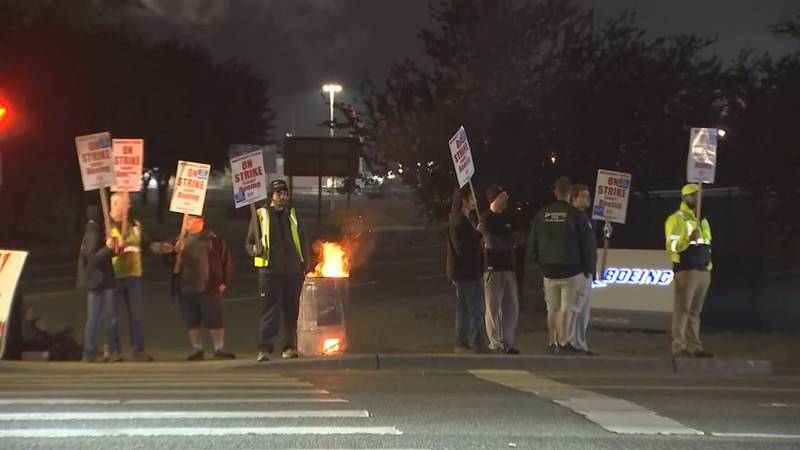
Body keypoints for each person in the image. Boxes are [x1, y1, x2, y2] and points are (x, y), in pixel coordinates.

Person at [246, 179, 310, 362]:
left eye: (285, 193)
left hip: (293, 271)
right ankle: (265, 349)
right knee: (270, 311)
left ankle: (289, 347)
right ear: (271, 196)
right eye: (279, 193)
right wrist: (254, 250)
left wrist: (304, 265)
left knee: (291, 311)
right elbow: (250, 241)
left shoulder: (293, 214)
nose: (283, 196)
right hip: (270, 271)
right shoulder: (261, 214)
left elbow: (302, 240)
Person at [529, 177, 594, 355]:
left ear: (555, 192)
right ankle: (564, 342)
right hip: (571, 270)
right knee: (568, 308)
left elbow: (532, 242)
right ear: (569, 193)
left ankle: (552, 342)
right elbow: (587, 245)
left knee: (552, 308)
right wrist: (589, 268)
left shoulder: (542, 214)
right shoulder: (576, 215)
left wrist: (540, 262)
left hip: (549, 271)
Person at [159, 214, 235, 361]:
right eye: (186, 220)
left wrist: (224, 281)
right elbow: (165, 255)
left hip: (208, 287)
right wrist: (169, 250)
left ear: (200, 221)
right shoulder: (180, 239)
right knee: (192, 320)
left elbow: (227, 261)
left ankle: (219, 347)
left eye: (190, 219)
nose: (186, 222)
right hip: (186, 287)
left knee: (214, 319)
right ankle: (197, 347)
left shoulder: (213, 239)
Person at [665, 183, 713, 358]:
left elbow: (707, 245)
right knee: (682, 309)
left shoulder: (703, 220)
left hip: (703, 270)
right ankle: (679, 346)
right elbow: (672, 246)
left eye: (699, 195)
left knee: (694, 311)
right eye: (693, 195)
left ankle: (695, 346)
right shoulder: (676, 219)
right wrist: (688, 239)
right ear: (685, 197)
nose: (697, 198)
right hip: (686, 269)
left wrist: (708, 267)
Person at [108, 192, 153, 362]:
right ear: (116, 204)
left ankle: (138, 350)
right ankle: (113, 351)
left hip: (133, 275)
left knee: (137, 315)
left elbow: (146, 244)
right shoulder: (106, 225)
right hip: (112, 275)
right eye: (126, 203)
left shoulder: (135, 224)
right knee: (112, 316)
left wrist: (163, 247)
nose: (129, 206)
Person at [478, 184, 520, 354]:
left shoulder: (509, 217)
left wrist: (504, 242)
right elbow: (492, 243)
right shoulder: (486, 219)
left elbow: (517, 238)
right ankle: (495, 341)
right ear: (494, 199)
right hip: (492, 267)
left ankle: (507, 341)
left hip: (508, 266)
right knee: (493, 305)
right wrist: (506, 243)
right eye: (502, 196)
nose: (506, 199)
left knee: (511, 306)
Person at [446, 186, 486, 353]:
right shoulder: (458, 221)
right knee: (472, 307)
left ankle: (468, 340)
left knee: (468, 307)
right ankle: (472, 341)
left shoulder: (464, 219)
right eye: (472, 198)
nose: (475, 201)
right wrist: (477, 234)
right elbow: (461, 247)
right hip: (465, 272)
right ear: (464, 200)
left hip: (470, 271)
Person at [76, 205, 117, 363]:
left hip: (98, 280)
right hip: (100, 280)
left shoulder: (92, 231)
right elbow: (92, 259)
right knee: (102, 317)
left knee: (95, 317)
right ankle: (94, 350)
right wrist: (107, 249)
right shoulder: (94, 232)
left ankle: (91, 350)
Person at [565, 183, 597, 355]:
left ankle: (579, 343)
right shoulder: (574, 218)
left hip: (586, 270)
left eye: (588, 195)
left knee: (583, 310)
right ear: (573, 198)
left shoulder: (585, 218)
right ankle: (572, 342)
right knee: (575, 308)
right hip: (579, 271)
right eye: (583, 196)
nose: (588, 199)